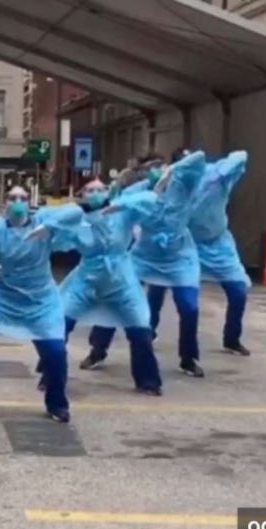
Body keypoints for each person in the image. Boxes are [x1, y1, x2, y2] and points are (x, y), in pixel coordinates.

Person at [0, 185, 84, 423]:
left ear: (30, 201)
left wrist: (50, 225)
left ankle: (57, 404)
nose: (18, 202)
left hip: (40, 301)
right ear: (4, 202)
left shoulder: (42, 221)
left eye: (23, 198)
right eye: (13, 198)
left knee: (55, 353)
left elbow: (75, 211)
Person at [79, 149, 207, 377]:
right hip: (144, 255)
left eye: (160, 165)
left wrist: (174, 170)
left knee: (189, 307)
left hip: (179, 256)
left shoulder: (184, 185)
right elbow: (116, 213)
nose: (156, 170)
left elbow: (199, 158)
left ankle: (188, 359)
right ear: (144, 172)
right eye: (150, 168)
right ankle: (98, 349)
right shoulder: (136, 192)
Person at [57, 178, 163, 395]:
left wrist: (122, 204)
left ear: (108, 192)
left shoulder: (122, 213)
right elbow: (56, 235)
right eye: (90, 190)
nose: (96, 193)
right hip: (86, 280)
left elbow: (151, 199)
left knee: (140, 329)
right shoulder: (77, 219)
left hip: (120, 280)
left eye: (100, 189)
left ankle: (148, 381)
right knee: (59, 325)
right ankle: (52, 376)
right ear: (82, 194)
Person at [189, 150, 251, 356]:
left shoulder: (215, 175)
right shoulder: (177, 183)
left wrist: (220, 173)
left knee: (238, 291)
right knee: (166, 290)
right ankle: (151, 329)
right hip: (189, 246)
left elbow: (241, 156)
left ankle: (232, 339)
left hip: (219, 245)